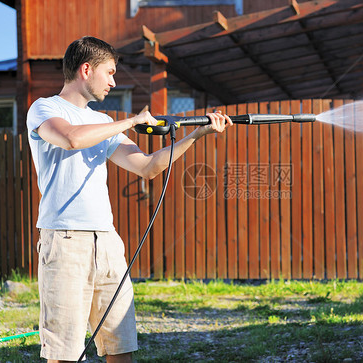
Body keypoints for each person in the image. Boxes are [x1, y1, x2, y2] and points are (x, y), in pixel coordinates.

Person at [26, 36, 232, 363]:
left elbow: (148, 166)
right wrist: (133, 121)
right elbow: (70, 138)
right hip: (64, 242)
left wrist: (195, 136)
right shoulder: (45, 109)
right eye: (109, 73)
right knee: (64, 354)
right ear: (86, 69)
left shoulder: (104, 123)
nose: (113, 81)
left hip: (108, 243)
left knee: (121, 348)